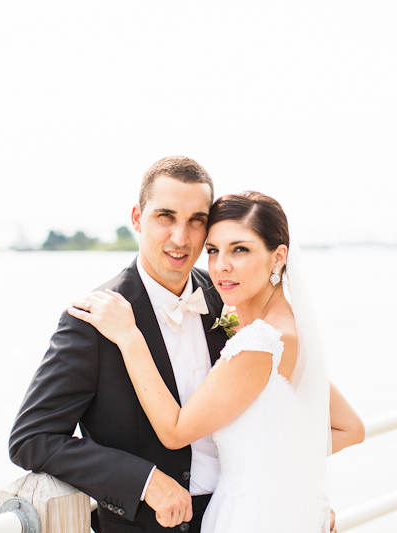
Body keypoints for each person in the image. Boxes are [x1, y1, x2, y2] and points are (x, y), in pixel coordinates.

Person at [69, 191, 365, 532]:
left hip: (247, 517)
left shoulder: (260, 343)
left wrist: (130, 338)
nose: (221, 265)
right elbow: (350, 428)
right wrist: (289, 488)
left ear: (278, 256)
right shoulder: (288, 331)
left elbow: (175, 431)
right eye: (212, 250)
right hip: (278, 512)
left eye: (240, 249)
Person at [9, 156, 228, 533]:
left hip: (239, 515)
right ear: (137, 218)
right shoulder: (90, 319)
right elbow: (32, 437)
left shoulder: (227, 298)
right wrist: (143, 480)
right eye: (165, 217)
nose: (181, 237)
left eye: (197, 220)